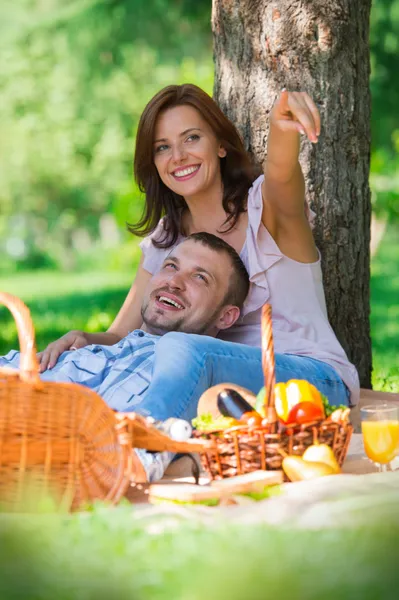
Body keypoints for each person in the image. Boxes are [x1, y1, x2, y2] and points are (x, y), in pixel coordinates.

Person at [33, 84, 359, 408]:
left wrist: (281, 128)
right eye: (162, 147)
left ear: (220, 145)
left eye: (191, 138)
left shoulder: (268, 210)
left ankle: (143, 451)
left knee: (180, 347)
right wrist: (84, 339)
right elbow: (121, 335)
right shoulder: (169, 237)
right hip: (221, 391)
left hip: (309, 383)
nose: (178, 156)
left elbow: (282, 173)